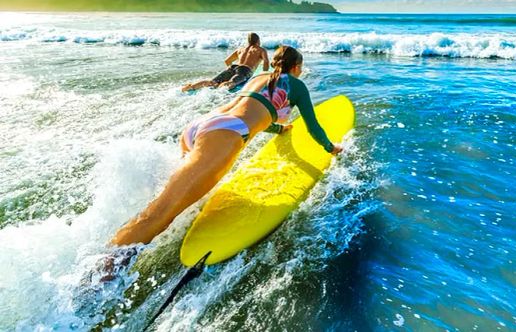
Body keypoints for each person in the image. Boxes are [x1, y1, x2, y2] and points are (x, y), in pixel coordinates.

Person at [112, 45, 343, 246]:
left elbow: (256, 112)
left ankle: (125, 235)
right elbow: (313, 127)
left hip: (199, 127)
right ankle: (100, 272)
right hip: (225, 134)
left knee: (166, 203)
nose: (301, 72)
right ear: (295, 67)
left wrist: (279, 129)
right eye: (300, 68)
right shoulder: (296, 85)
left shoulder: (257, 78)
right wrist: (330, 148)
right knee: (159, 215)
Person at [181, 33, 269, 92]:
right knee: (231, 83)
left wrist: (232, 71)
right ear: (258, 41)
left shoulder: (241, 49)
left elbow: (227, 61)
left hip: (233, 67)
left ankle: (189, 87)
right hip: (245, 70)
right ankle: (218, 92)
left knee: (212, 82)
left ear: (248, 41)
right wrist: (264, 74)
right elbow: (266, 62)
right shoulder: (261, 49)